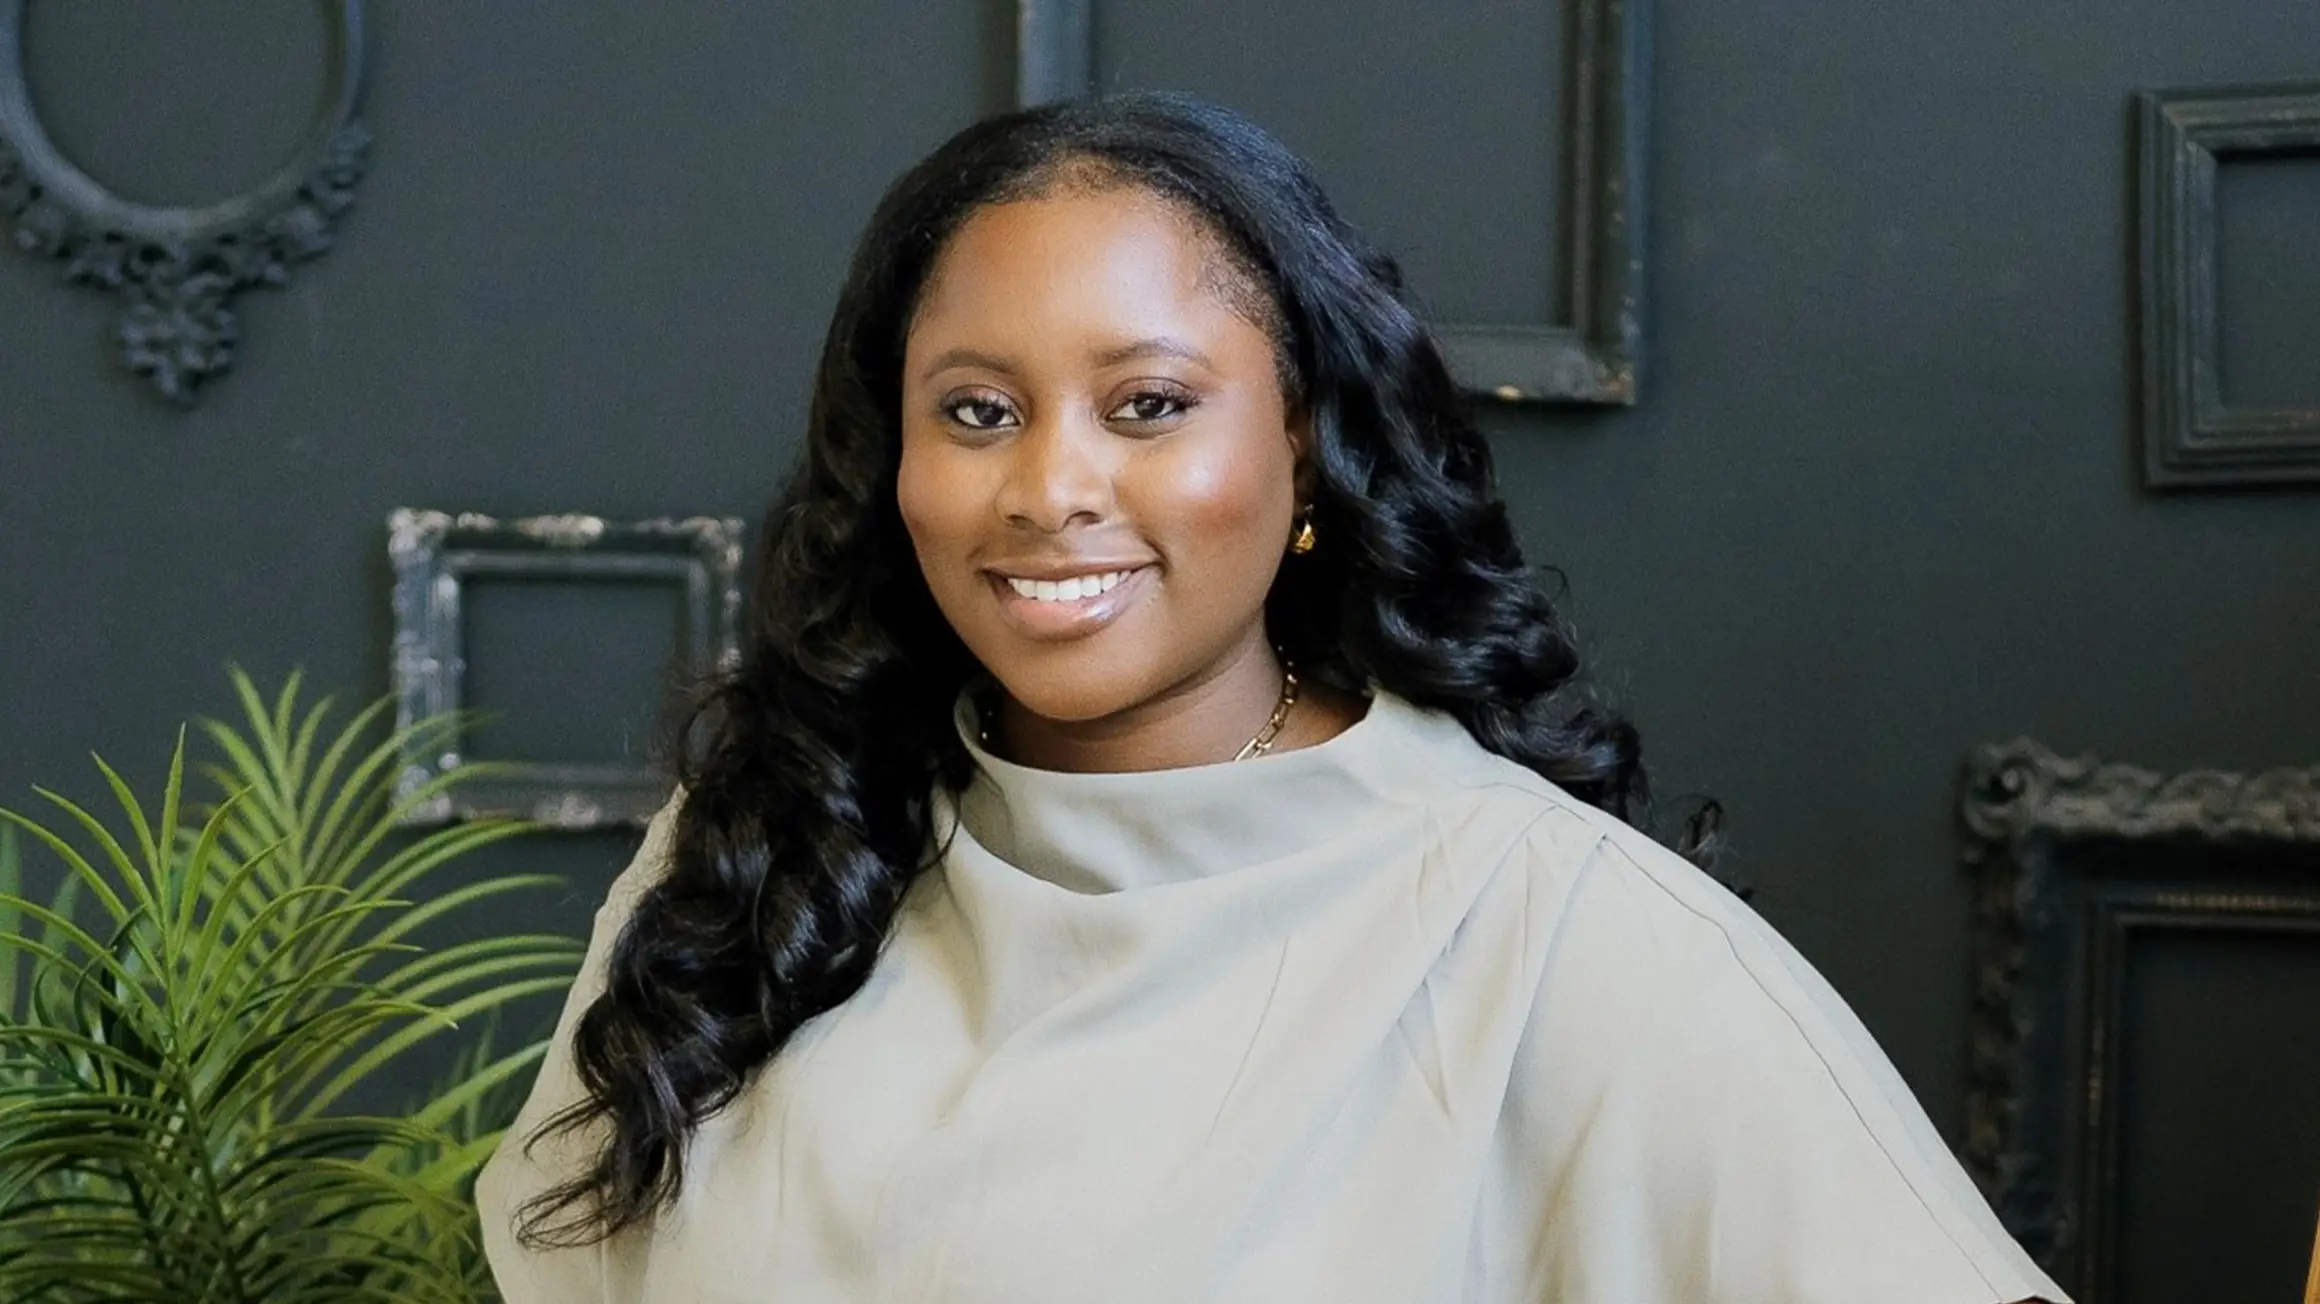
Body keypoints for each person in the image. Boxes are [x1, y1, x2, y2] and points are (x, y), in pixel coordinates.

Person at [476, 92, 2066, 1303]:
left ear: (1303, 445)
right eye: (976, 411)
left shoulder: (1547, 928)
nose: (1049, 485)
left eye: (1148, 404)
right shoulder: (764, 844)